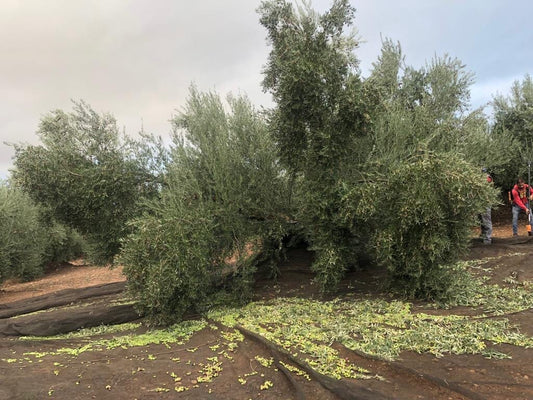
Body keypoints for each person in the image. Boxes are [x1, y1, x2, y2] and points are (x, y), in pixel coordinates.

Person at [479, 169, 493, 244]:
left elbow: (487, 181)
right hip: (480, 201)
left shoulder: (488, 178)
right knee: (482, 220)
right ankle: (483, 236)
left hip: (486, 202)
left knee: (486, 220)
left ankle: (487, 239)